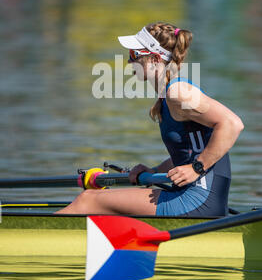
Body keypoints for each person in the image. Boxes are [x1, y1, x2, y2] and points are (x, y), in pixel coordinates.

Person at [57, 22, 244, 216]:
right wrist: (153, 171)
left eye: (134, 55)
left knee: (89, 199)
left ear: (155, 59)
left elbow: (232, 124)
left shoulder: (178, 92)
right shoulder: (167, 97)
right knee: (104, 202)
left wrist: (197, 168)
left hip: (198, 200)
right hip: (195, 196)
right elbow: (189, 152)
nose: (130, 63)